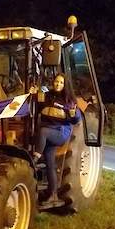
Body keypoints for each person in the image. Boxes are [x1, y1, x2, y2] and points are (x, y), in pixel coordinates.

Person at [33, 73, 81, 208]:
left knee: (42, 131)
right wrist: (34, 95)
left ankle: (34, 158)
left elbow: (76, 119)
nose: (58, 84)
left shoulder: (68, 100)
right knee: (50, 164)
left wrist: (74, 114)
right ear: (53, 82)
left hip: (60, 132)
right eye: (56, 82)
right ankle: (53, 195)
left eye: (61, 82)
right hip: (48, 134)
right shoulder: (48, 96)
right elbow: (38, 107)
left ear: (65, 85)